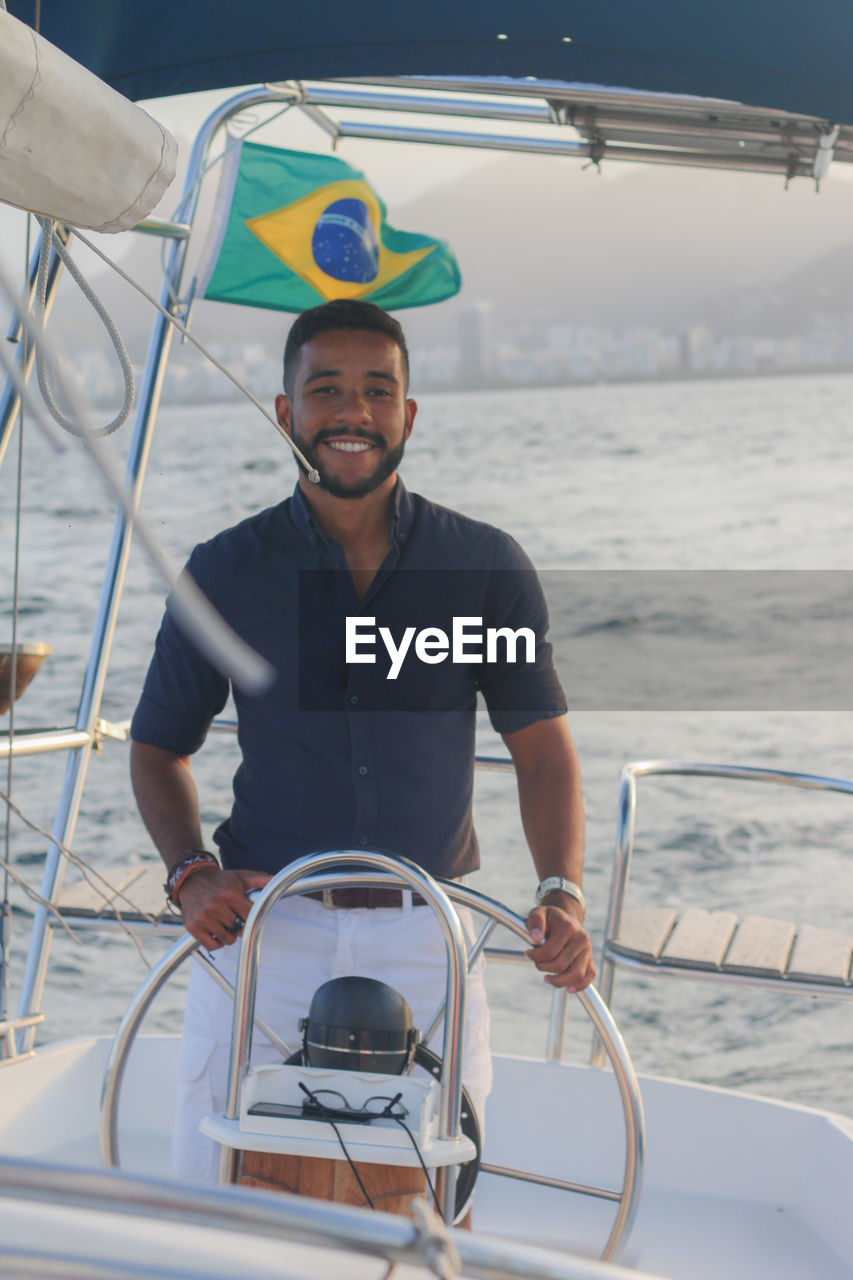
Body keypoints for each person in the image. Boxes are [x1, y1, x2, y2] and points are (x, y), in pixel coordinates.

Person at [129, 298, 594, 1187]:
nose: (353, 412)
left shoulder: (485, 567)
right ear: (285, 412)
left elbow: (542, 753)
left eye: (377, 391)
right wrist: (189, 873)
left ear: (407, 414)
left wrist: (561, 895)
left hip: (428, 941)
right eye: (327, 389)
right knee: (214, 1190)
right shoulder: (225, 570)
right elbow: (157, 748)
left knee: (430, 1205)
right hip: (262, 937)